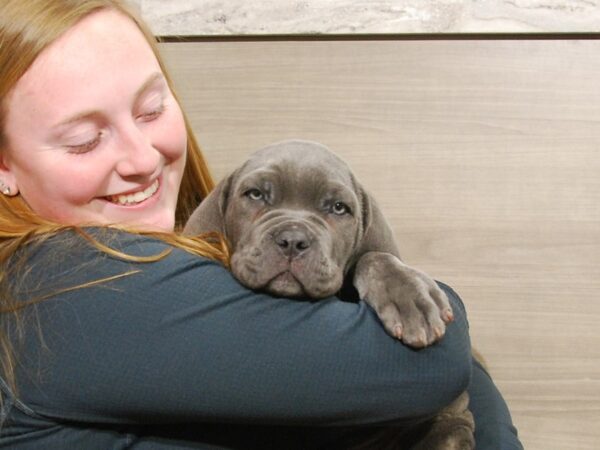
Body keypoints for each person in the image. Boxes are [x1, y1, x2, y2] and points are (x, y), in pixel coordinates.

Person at [0, 1, 523, 448]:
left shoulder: (175, 246)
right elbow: (435, 364)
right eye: (84, 139)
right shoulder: (52, 291)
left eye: (151, 109)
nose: (142, 157)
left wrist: (376, 267)